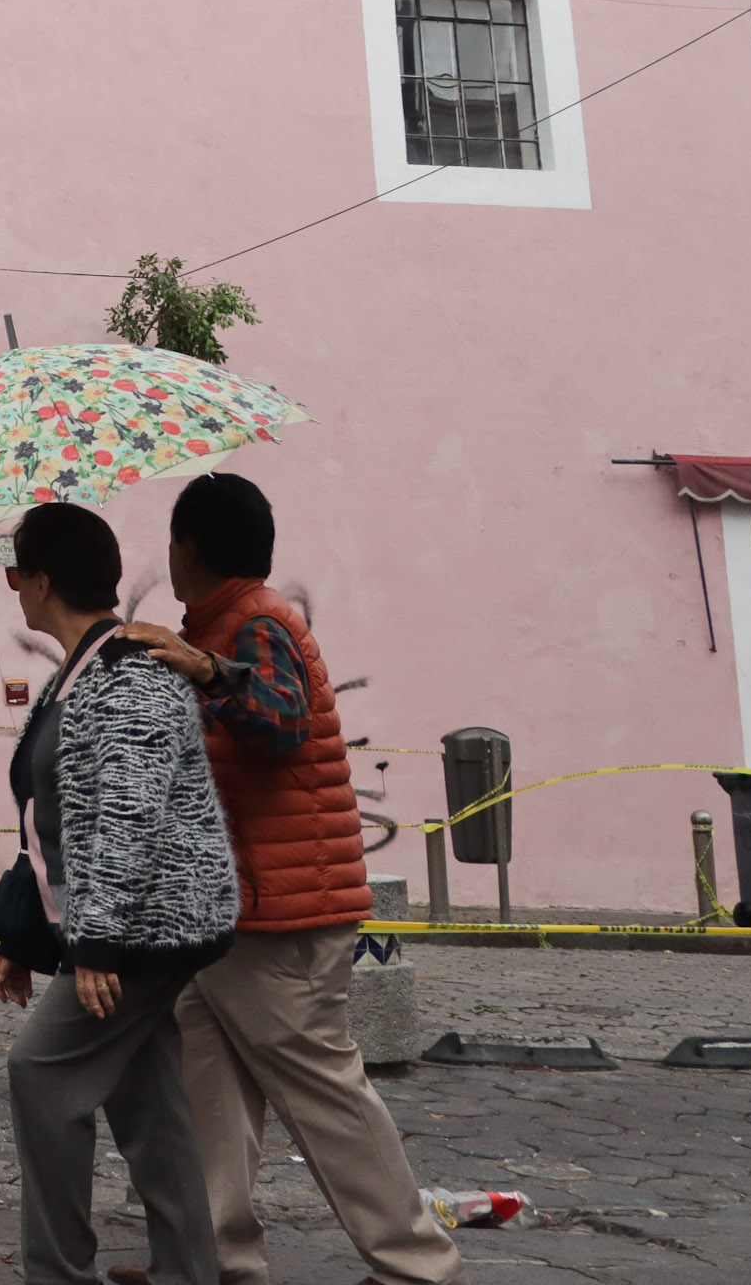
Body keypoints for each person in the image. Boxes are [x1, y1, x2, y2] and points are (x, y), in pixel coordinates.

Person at [113, 473, 464, 1285]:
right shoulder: (221, 627)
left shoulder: (259, 623)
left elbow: (278, 723)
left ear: (190, 546)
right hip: (235, 913)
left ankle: (419, 1267)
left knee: (324, 1095)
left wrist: (204, 673)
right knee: (209, 1086)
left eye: (172, 539)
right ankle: (211, 1261)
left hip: (283, 919)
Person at [0, 502, 241, 1285]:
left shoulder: (127, 671)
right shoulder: (75, 671)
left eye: (16, 569)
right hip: (119, 925)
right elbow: (54, 821)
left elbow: (125, 819)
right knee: (148, 1098)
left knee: (39, 1073)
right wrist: (25, 937)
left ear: (40, 582)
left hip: (143, 929)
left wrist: (95, 944)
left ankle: (59, 1272)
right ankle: (189, 1270)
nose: (10, 585)